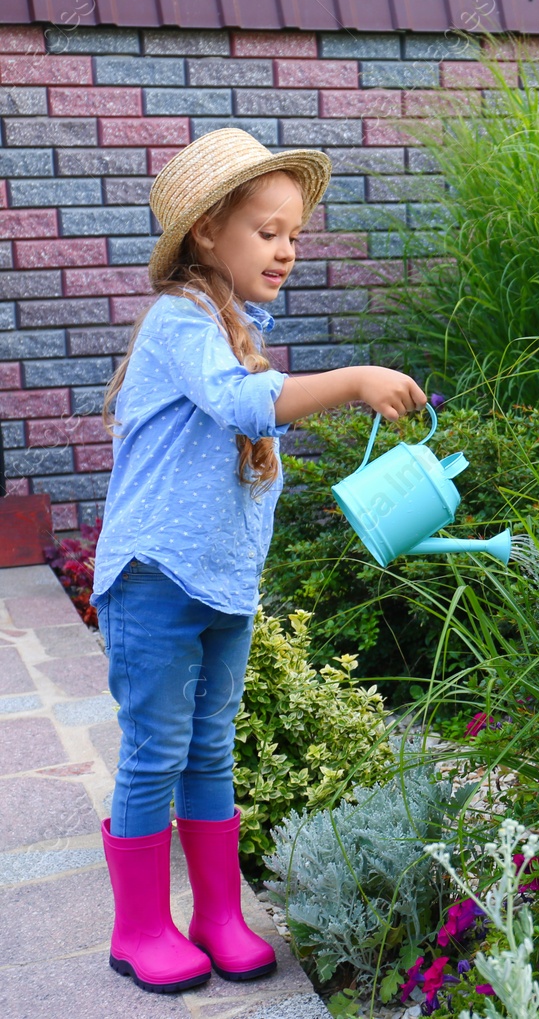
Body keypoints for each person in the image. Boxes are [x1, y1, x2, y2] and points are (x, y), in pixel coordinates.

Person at [85, 128, 428, 994]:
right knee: (156, 750)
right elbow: (246, 409)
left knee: (210, 748)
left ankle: (217, 914)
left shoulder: (240, 330)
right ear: (207, 232)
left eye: (295, 234)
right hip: (155, 577)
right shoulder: (180, 323)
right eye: (268, 230)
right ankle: (138, 928)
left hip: (221, 585)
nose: (286, 248)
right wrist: (352, 379)